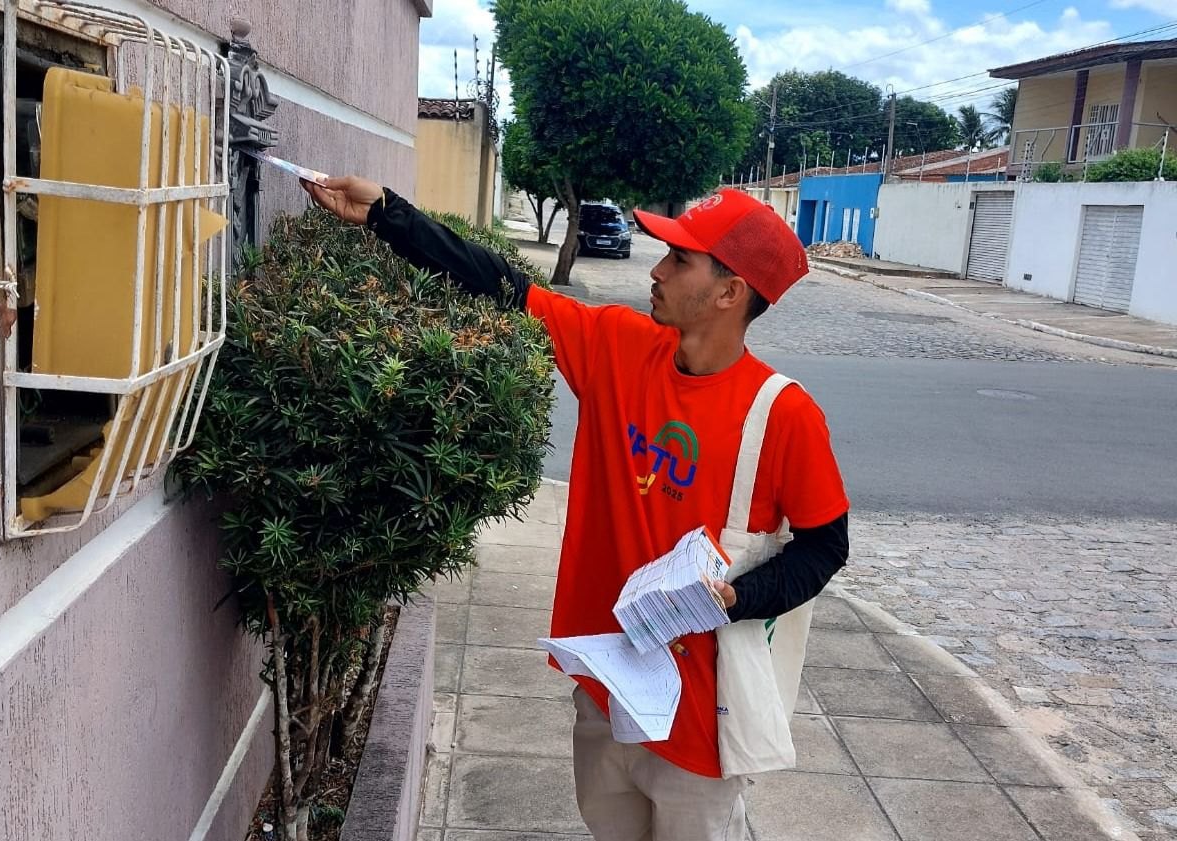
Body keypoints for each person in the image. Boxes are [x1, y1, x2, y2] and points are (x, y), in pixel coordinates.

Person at [304, 176, 850, 841]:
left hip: (703, 726)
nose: (657, 270)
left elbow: (825, 546)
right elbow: (505, 287)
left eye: (679, 259)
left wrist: (738, 597)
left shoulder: (784, 415)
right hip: (606, 688)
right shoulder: (619, 347)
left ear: (730, 293)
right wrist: (386, 215)